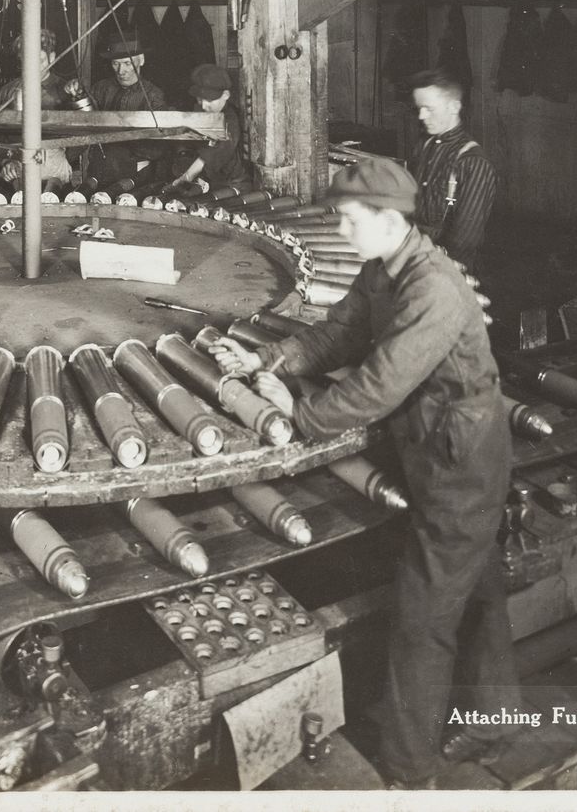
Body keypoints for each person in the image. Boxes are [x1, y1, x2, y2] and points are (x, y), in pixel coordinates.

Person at [205, 159, 521, 789]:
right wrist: (271, 358)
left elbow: (382, 383)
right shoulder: (385, 267)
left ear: (387, 218)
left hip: (460, 462)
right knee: (477, 586)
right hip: (434, 447)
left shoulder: (433, 288)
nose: (344, 231)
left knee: (423, 619)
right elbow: (340, 334)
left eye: (350, 219)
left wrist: (298, 412)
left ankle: (409, 771)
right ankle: (495, 716)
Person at [406, 69, 497, 271]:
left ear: (454, 107)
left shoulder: (473, 162)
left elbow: (465, 239)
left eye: (429, 108)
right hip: (413, 250)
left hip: (447, 266)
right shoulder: (425, 145)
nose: (421, 116)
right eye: (419, 108)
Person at [0, 29, 75, 187]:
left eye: (40, 60)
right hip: (16, 166)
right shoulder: (6, 92)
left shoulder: (65, 89)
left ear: (52, 57)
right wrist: (6, 161)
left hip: (55, 169)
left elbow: (84, 138)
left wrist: (56, 156)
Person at [87, 36, 170, 188]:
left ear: (141, 60)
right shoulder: (101, 88)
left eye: (127, 63)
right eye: (115, 63)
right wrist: (77, 96)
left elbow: (159, 146)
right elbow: (85, 122)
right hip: (99, 167)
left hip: (135, 171)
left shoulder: (153, 95)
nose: (121, 71)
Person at [166, 63, 247, 192]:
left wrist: (188, 176)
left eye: (209, 100)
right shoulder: (200, 111)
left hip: (231, 182)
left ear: (225, 95)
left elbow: (220, 149)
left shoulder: (230, 119)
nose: (204, 106)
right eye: (200, 99)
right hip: (206, 179)